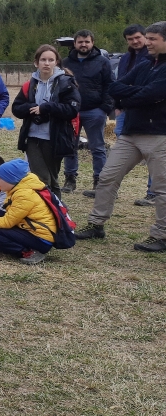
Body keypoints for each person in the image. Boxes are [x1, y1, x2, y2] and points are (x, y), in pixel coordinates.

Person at [76, 21, 166, 251]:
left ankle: (162, 235)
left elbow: (153, 92)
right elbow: (116, 87)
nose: (147, 43)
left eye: (153, 39)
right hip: (130, 134)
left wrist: (135, 96)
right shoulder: (145, 64)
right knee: (107, 177)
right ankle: (96, 224)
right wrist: (138, 95)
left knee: (161, 188)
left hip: (159, 134)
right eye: (147, 38)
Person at [11, 45, 80, 197]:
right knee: (41, 178)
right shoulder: (30, 85)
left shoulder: (66, 83)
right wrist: (32, 108)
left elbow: (72, 110)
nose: (46, 63)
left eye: (50, 60)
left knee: (53, 179)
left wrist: (47, 108)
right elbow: (17, 108)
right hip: (33, 137)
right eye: (43, 60)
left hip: (55, 138)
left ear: (57, 62)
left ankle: (57, 212)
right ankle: (49, 211)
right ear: (36, 63)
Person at [0, 159, 57, 265]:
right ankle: (2, 242)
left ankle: (28, 252)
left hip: (41, 239)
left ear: (11, 179)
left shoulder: (24, 195)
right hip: (29, 228)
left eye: (1, 178)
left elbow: (7, 222)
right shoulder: (18, 188)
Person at [62, 30, 114, 196]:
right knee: (70, 146)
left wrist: (105, 108)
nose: (83, 44)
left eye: (87, 41)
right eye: (80, 42)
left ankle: (99, 181)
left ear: (92, 42)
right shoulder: (65, 63)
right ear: (75, 43)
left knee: (97, 147)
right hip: (72, 112)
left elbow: (110, 85)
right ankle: (70, 179)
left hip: (94, 111)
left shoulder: (103, 62)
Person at [116, 24, 156, 206]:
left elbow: (150, 88)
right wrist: (118, 104)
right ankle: (111, 187)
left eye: (138, 38)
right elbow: (119, 83)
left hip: (148, 112)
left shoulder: (153, 58)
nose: (135, 41)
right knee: (120, 149)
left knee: (153, 153)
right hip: (126, 110)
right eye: (130, 39)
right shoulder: (125, 58)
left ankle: (153, 192)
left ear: (145, 37)